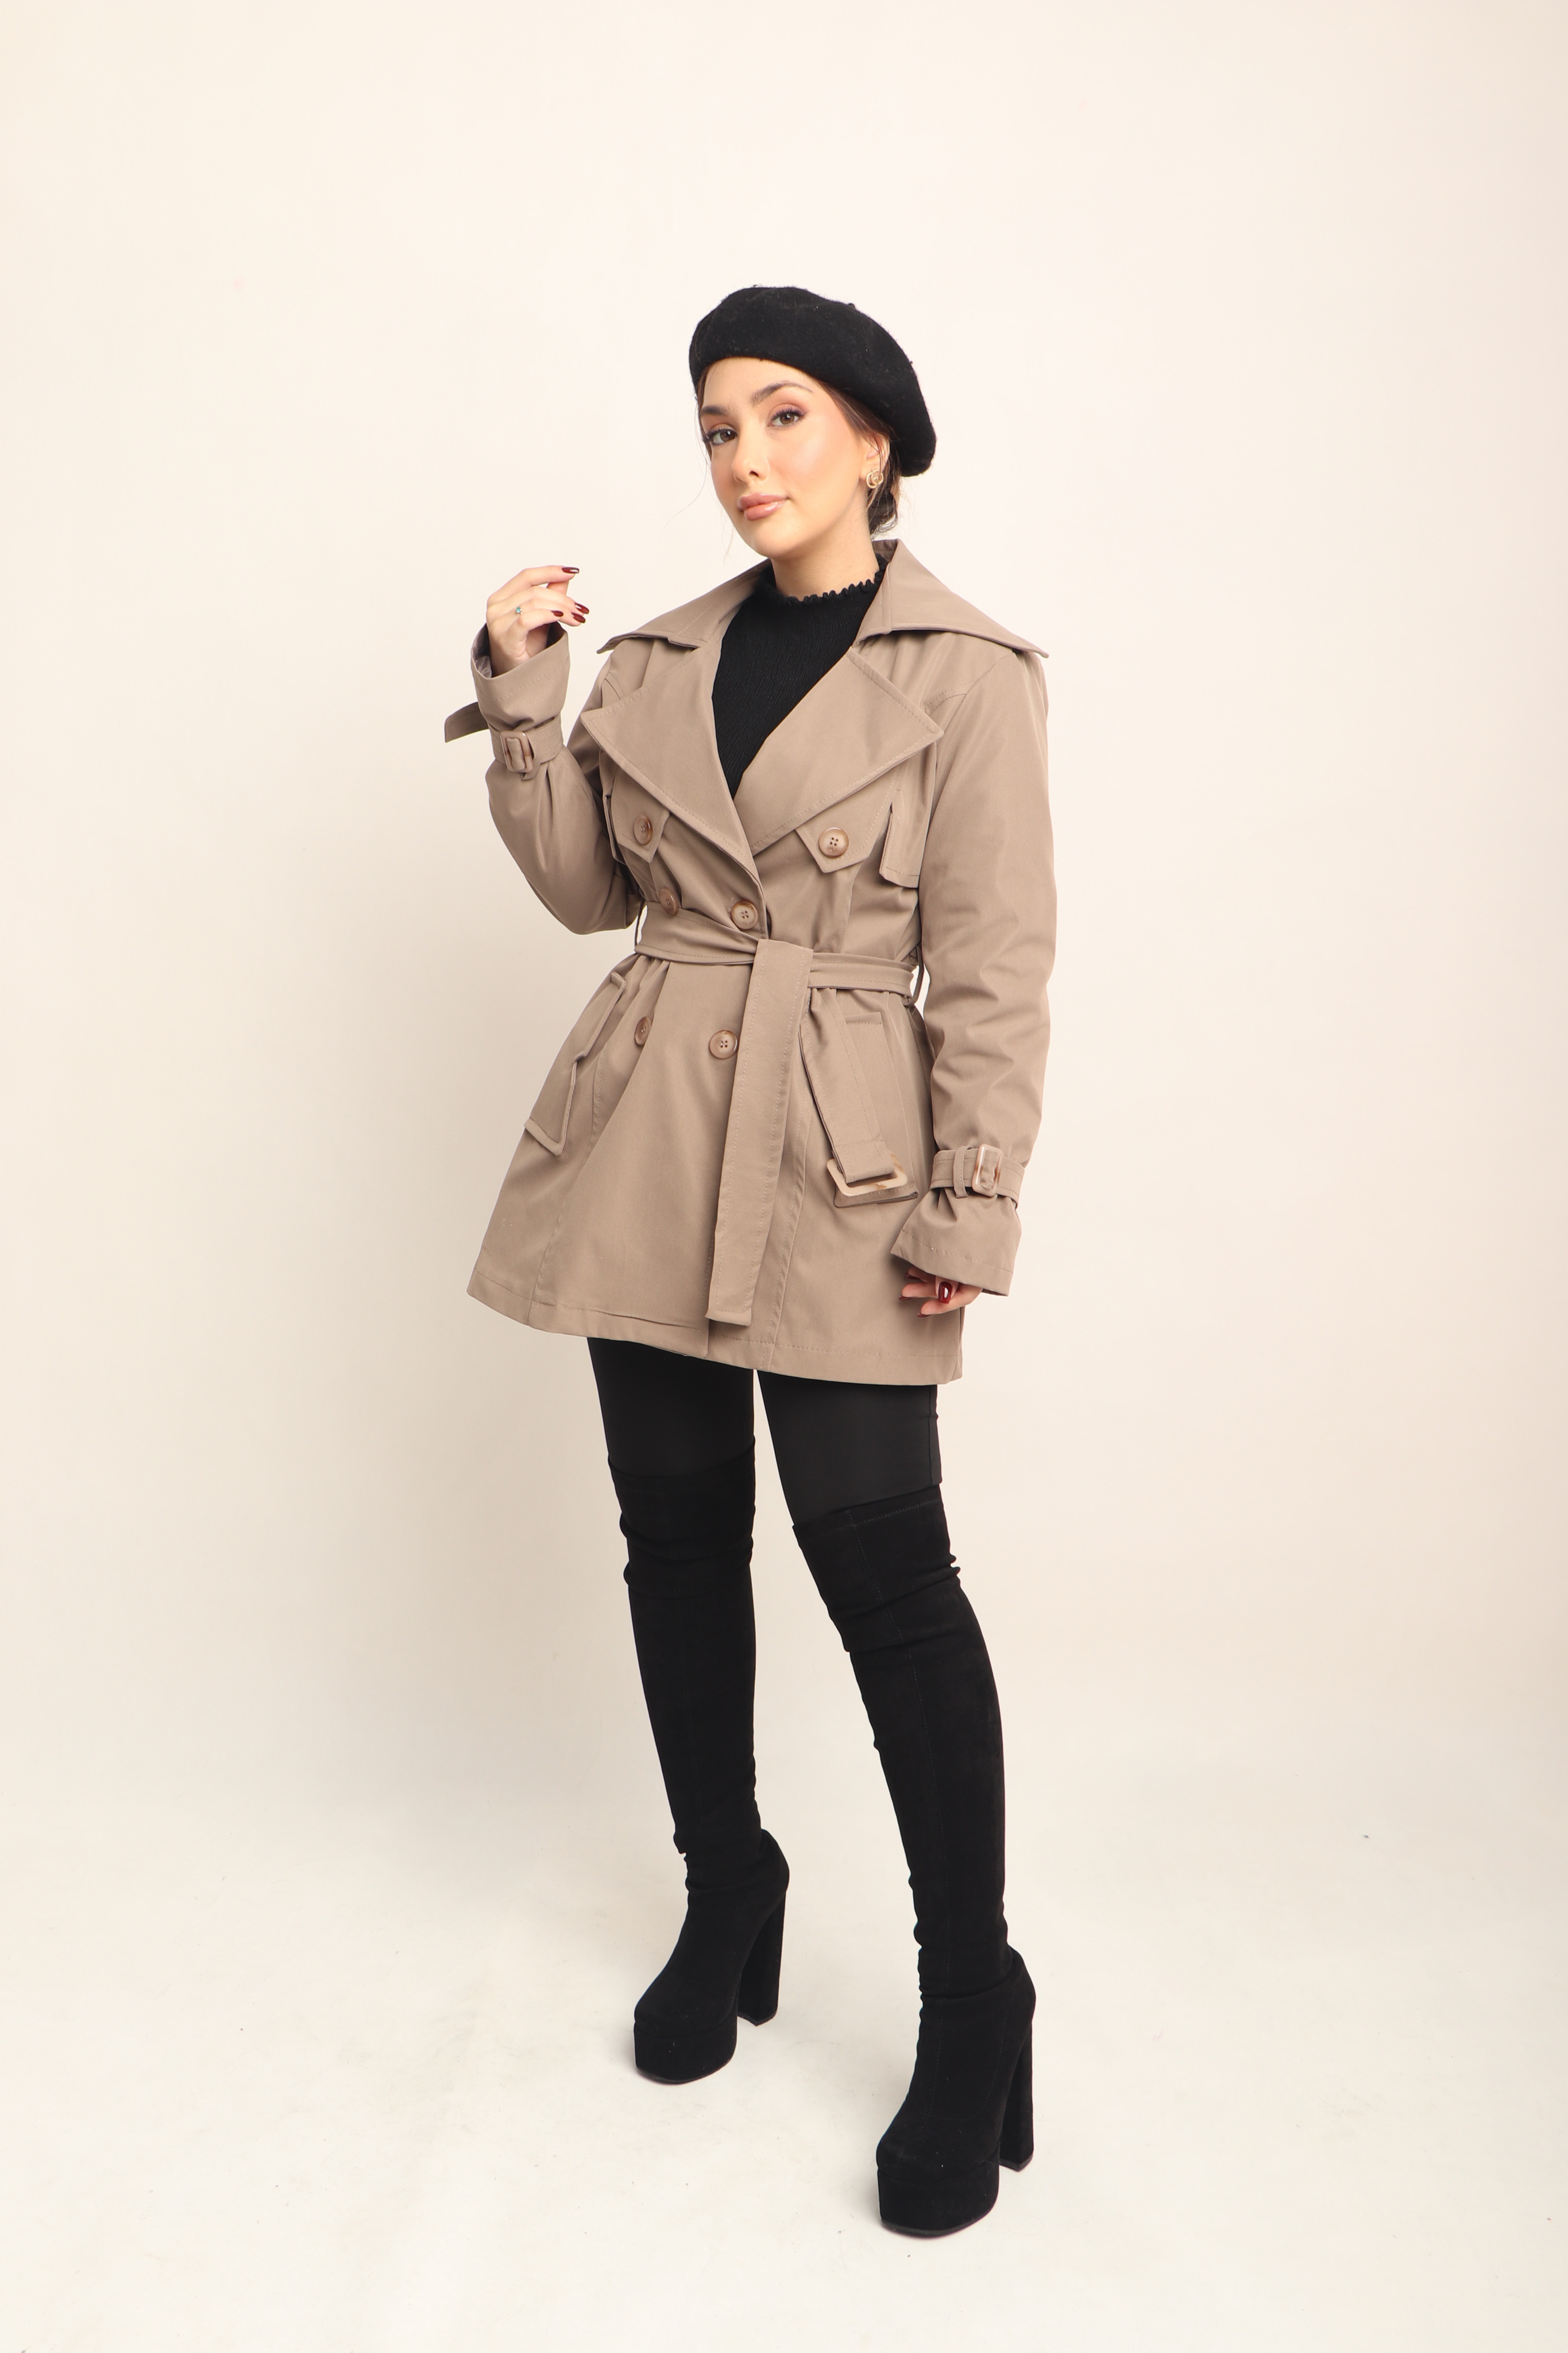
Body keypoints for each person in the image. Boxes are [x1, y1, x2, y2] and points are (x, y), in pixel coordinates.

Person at [445, 284, 1055, 2237]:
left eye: (784, 417)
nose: (744, 461)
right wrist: (521, 694)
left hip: (842, 1155)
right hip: (645, 1136)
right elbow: (585, 895)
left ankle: (971, 1999)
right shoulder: (655, 657)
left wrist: (969, 1198)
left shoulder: (968, 674)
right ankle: (731, 1887)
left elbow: (995, 967)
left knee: (888, 1577)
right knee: (677, 1538)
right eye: (717, 427)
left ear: (874, 439)